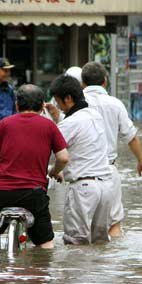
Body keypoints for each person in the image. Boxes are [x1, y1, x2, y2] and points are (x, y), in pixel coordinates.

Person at [0, 84, 70, 249]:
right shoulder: (49, 126)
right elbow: (63, 158)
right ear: (42, 106)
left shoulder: (4, 124)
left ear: (17, 105)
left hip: (3, 193)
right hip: (34, 195)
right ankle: (41, 271)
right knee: (45, 243)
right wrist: (54, 172)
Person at [80, 61, 142, 237]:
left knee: (81, 230)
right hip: (108, 171)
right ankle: (111, 262)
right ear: (105, 81)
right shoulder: (115, 104)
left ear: (82, 83)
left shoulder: (76, 103)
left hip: (82, 173)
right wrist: (141, 161)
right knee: (114, 225)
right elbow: (131, 136)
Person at [49, 75, 115, 245]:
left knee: (76, 245)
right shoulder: (95, 115)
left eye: (58, 101)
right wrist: (58, 118)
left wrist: (54, 171)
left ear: (68, 98)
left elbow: (56, 153)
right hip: (106, 187)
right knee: (100, 243)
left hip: (83, 189)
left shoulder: (70, 124)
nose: (58, 106)